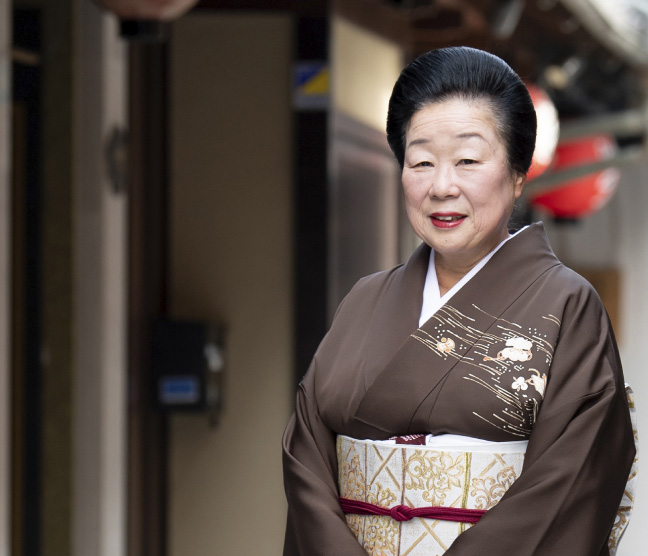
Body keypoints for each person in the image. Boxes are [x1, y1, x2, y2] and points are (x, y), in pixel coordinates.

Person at [282, 46, 636, 556]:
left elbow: (573, 480)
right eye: (421, 161)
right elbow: (306, 456)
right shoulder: (364, 300)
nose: (441, 186)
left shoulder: (567, 305)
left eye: (468, 160)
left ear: (518, 173)